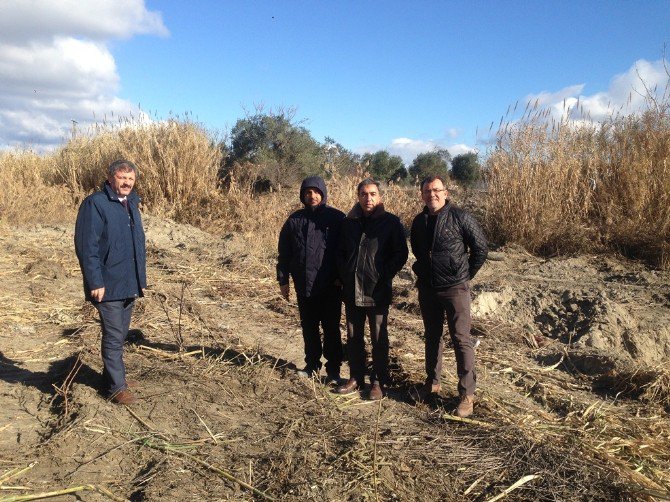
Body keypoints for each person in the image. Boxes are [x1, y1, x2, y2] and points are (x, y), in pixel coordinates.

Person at [410, 175, 487, 417]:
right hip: (428, 288)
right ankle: (432, 383)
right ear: (422, 195)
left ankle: (466, 394)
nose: (432, 194)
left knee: (461, 339)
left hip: (455, 288)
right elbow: (417, 250)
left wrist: (464, 275)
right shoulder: (418, 221)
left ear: (445, 192)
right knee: (432, 337)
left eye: (436, 190)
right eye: (427, 191)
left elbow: (480, 249)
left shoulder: (460, 217)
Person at [74, 159, 147, 405]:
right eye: (121, 178)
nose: (126, 183)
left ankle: (114, 378)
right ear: (110, 178)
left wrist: (140, 279)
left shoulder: (131, 204)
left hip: (128, 282)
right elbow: (87, 247)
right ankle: (116, 388)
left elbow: (135, 246)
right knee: (114, 336)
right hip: (107, 284)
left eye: (130, 179)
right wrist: (95, 281)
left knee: (121, 333)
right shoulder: (95, 204)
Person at [335, 179, 408, 400]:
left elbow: (400, 254)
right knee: (353, 335)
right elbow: (339, 252)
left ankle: (378, 380)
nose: (369, 198)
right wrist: (344, 276)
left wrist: (382, 275)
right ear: (358, 196)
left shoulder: (391, 222)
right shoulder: (348, 222)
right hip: (351, 289)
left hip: (377, 290)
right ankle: (356, 377)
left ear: (380, 197)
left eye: (373, 194)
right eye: (364, 194)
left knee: (378, 337)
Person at [277, 176, 346, 383]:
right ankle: (312, 365)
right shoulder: (294, 220)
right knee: (309, 327)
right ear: (302, 195)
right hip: (303, 285)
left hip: (330, 286)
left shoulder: (337, 219)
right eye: (308, 192)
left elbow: (345, 252)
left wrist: (340, 278)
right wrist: (283, 280)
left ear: (323, 194)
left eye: (316, 191)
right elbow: (284, 253)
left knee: (332, 328)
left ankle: (333, 370)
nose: (312, 195)